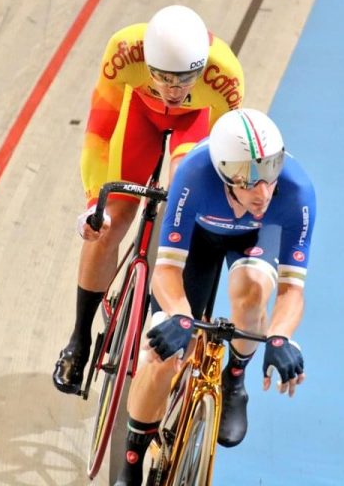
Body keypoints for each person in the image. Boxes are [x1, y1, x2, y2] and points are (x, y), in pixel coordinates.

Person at [114, 108, 316, 485]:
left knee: (251, 293)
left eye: (270, 171)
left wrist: (280, 336)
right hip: (199, 239)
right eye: (249, 181)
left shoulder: (297, 192)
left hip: (256, 239)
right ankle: (131, 462)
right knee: (162, 356)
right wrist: (178, 316)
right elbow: (166, 270)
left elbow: (292, 290)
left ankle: (234, 378)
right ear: (224, 173)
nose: (264, 192)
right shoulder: (193, 176)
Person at [53, 5, 244, 394]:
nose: (174, 90)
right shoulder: (124, 51)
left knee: (184, 200)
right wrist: (93, 204)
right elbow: (100, 131)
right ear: (147, 63)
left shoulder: (225, 75)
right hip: (140, 114)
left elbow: (224, 159)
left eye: (185, 78)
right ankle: (79, 338)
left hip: (194, 124)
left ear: (201, 67)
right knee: (110, 223)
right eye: (163, 77)